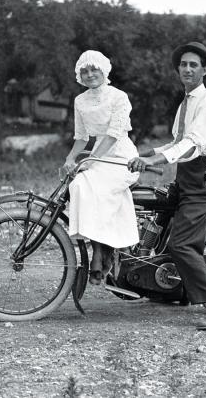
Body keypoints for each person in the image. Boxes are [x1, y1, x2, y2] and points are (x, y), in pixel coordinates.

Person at [127, 41, 206, 330]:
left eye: (193, 65)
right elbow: (177, 140)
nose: (187, 69)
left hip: (204, 180)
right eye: (183, 64)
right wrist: (147, 153)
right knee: (156, 209)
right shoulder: (186, 101)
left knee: (181, 244)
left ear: (204, 70)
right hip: (187, 177)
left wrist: (156, 161)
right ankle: (170, 286)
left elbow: (192, 144)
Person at [63, 50, 140, 286]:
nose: (89, 75)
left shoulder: (119, 97)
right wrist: (70, 159)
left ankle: (103, 252)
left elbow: (114, 135)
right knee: (77, 186)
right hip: (98, 157)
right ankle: (99, 246)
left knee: (98, 186)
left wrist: (89, 161)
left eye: (93, 69)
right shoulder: (80, 101)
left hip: (122, 159)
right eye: (84, 71)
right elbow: (81, 137)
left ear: (104, 70)